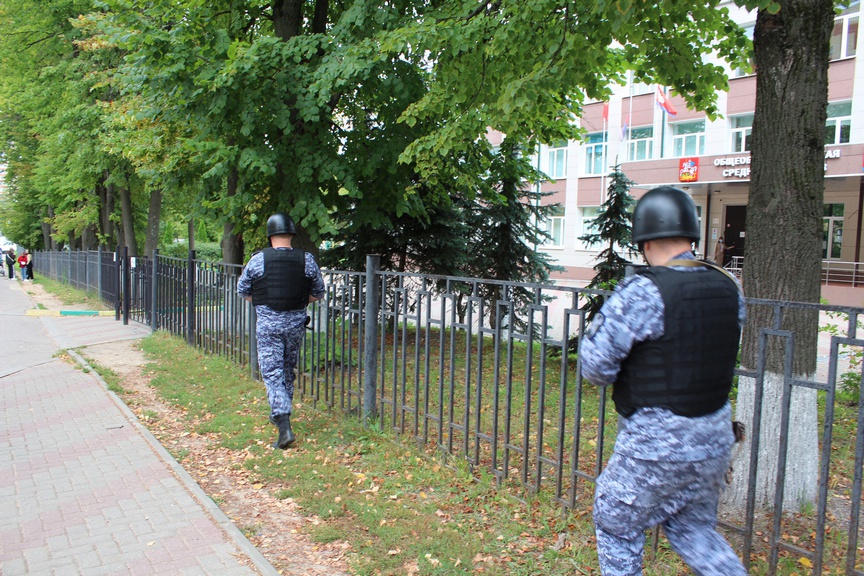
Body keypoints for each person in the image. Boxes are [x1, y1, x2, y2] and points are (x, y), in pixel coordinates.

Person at [581, 186, 747, 576]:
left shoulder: (643, 291)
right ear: (691, 234)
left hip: (658, 446)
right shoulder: (728, 286)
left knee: (615, 521)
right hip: (714, 440)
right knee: (694, 530)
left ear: (644, 240)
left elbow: (594, 368)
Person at [237, 213, 325, 449]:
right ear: (292, 234)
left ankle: (283, 422)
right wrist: (296, 300)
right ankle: (280, 412)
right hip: (296, 325)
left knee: (272, 372)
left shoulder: (257, 260)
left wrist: (265, 302)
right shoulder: (306, 260)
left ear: (270, 235)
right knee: (287, 368)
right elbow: (318, 292)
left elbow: (243, 290)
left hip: (268, 326)